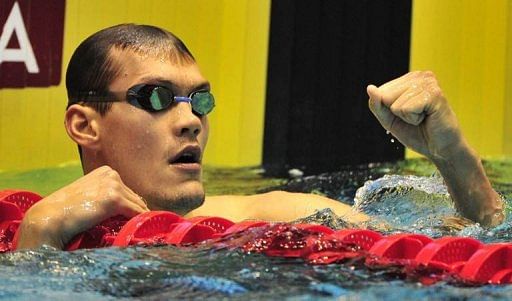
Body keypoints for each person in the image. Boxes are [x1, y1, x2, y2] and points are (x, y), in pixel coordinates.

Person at [16, 24, 504, 250]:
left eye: (199, 101)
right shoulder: (37, 223)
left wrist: (452, 154)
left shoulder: (274, 217)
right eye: (157, 99)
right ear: (84, 125)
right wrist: (37, 236)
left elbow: (467, 247)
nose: (190, 121)